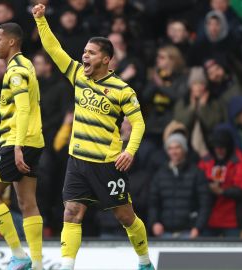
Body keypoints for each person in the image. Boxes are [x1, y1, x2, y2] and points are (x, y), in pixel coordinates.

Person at [33, 4, 153, 270]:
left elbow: (139, 122)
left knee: (126, 217)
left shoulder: (122, 90)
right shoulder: (77, 74)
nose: (84, 56)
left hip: (108, 163)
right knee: (71, 213)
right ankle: (67, 265)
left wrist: (129, 151)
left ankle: (145, 262)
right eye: (84, 52)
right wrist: (41, 20)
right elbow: (54, 49)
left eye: (90, 53)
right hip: (77, 162)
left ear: (106, 59)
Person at [0, 23, 45, 270]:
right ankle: (38, 265)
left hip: (17, 141)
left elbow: (24, 109)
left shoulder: (15, 71)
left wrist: (16, 147)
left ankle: (18, 255)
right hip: (33, 140)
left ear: (11, 42)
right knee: (28, 203)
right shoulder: (27, 64)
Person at [149, 133, 210, 239]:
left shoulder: (197, 173)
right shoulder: (160, 174)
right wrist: (154, 223)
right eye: (170, 148)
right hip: (164, 233)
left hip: (189, 232)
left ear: (184, 149)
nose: (174, 152)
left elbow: (205, 204)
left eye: (177, 147)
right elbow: (153, 203)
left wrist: (198, 227)